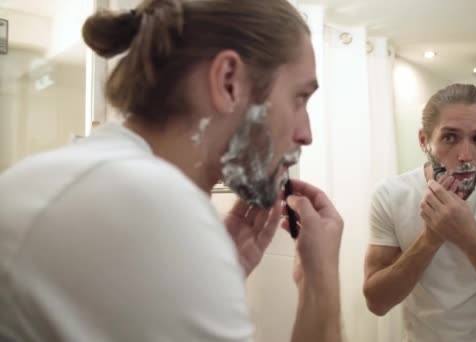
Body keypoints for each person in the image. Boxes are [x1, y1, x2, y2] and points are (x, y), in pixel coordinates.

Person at [0, 0, 343, 341]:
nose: (307, 134)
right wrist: (321, 282)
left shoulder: (98, 175)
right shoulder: (151, 205)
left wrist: (206, 278)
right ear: (228, 82)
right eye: (299, 99)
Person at [363, 84, 476, 342]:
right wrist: (430, 238)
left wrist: (467, 235)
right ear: (423, 140)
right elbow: (376, 302)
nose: (465, 156)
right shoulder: (391, 194)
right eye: (450, 137)